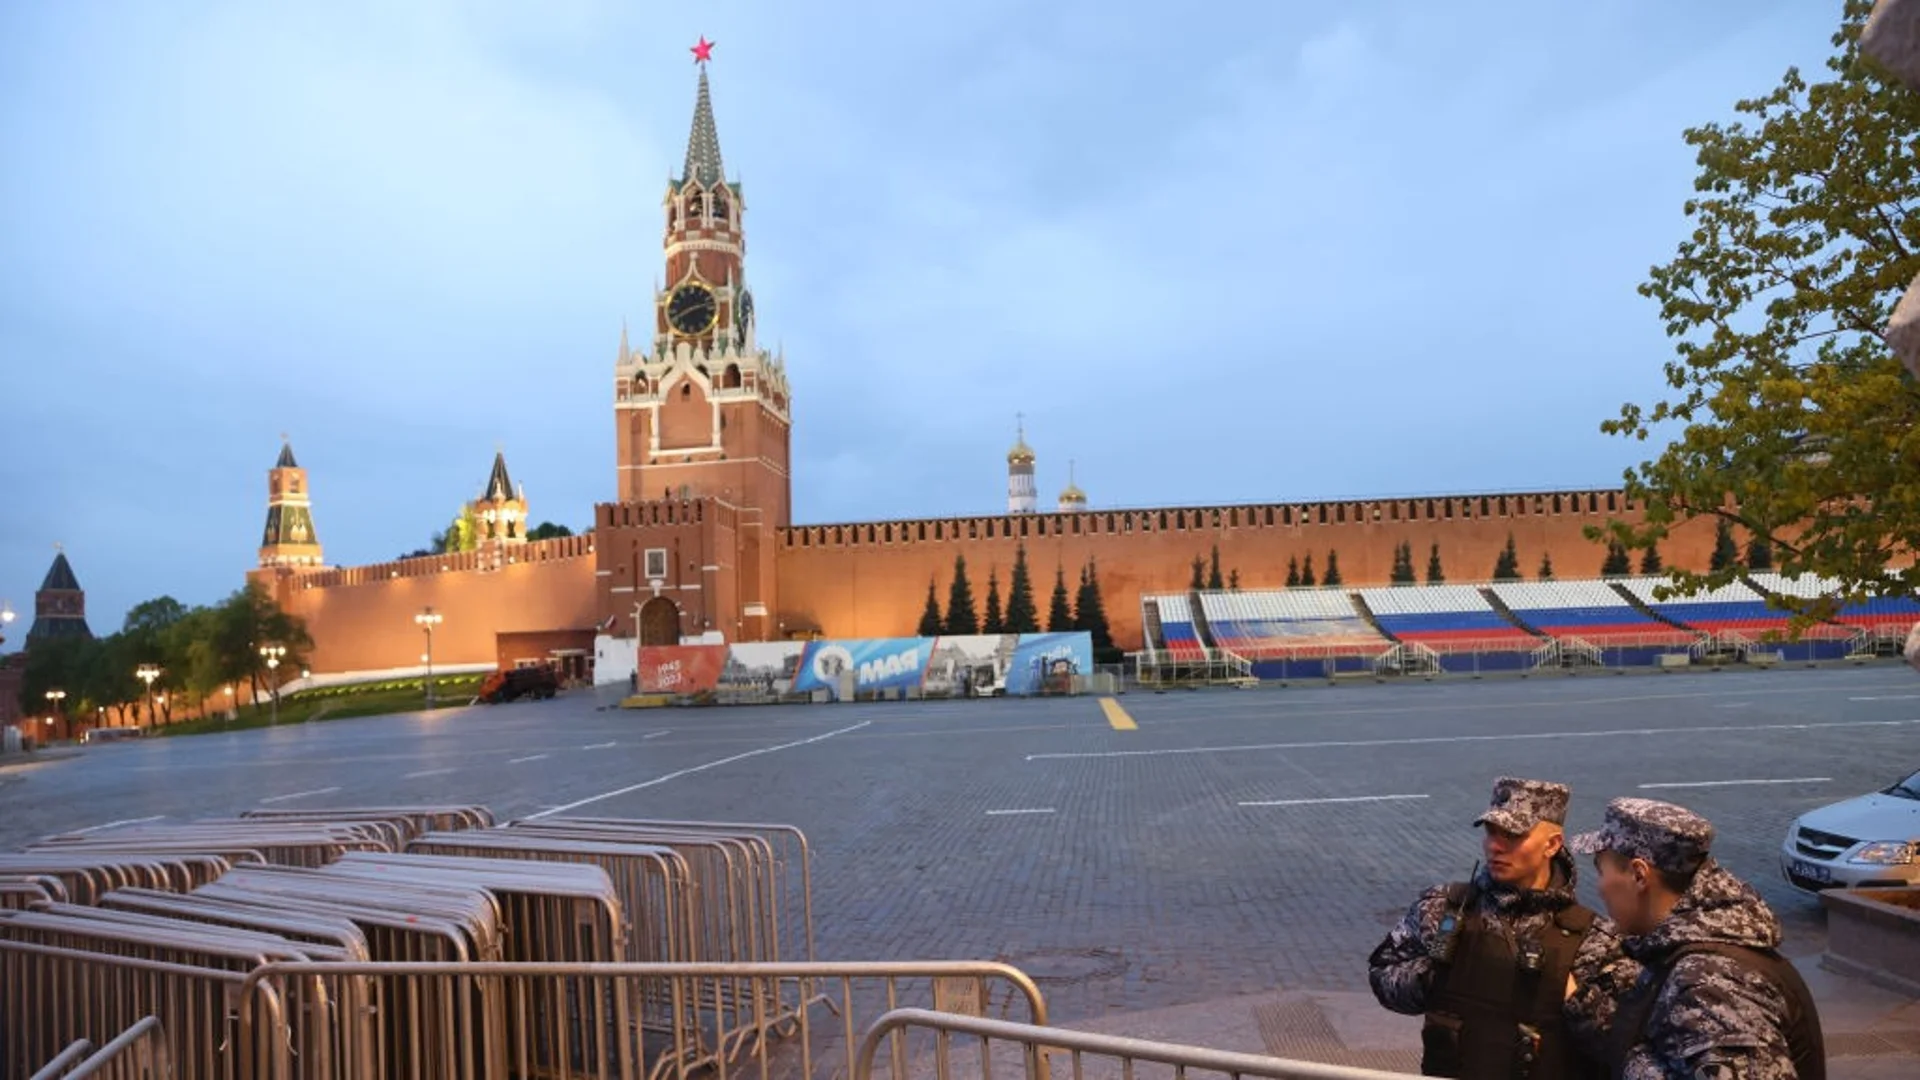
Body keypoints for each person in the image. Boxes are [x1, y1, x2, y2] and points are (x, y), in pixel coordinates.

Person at [1369, 777, 1620, 1079]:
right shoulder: (1443, 908)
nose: (1495, 847)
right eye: (1491, 832)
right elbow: (1383, 977)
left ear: (1552, 844)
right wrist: (1433, 975)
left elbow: (1617, 1043)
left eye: (1513, 835)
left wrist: (1571, 995)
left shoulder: (1594, 939)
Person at [1566, 797, 1825, 1080]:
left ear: (1640, 876)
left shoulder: (1708, 981)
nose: (1600, 888)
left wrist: (1636, 1065)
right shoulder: (1697, 944)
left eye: (1601, 871)